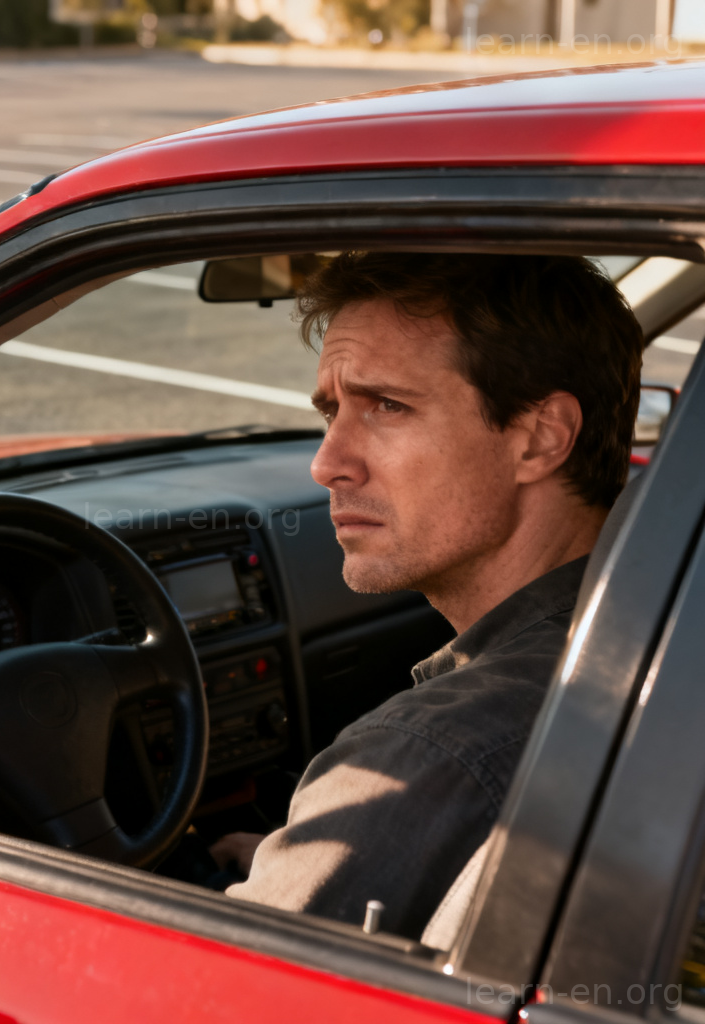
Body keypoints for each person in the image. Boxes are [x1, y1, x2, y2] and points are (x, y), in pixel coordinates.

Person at [210, 251, 644, 940]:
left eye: (387, 406)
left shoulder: (426, 758)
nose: (327, 463)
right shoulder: (660, 625)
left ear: (540, 438)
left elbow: (208, 994)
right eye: (332, 411)